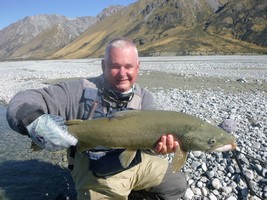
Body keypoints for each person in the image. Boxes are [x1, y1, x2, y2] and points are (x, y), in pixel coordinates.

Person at [6, 37, 187, 200]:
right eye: (115, 66)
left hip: (132, 163)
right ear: (103, 66)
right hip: (95, 171)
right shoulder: (78, 91)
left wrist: (160, 148)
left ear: (138, 67)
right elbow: (22, 100)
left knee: (177, 185)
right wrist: (34, 121)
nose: (122, 73)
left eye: (129, 66)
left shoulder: (144, 99)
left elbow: (150, 148)